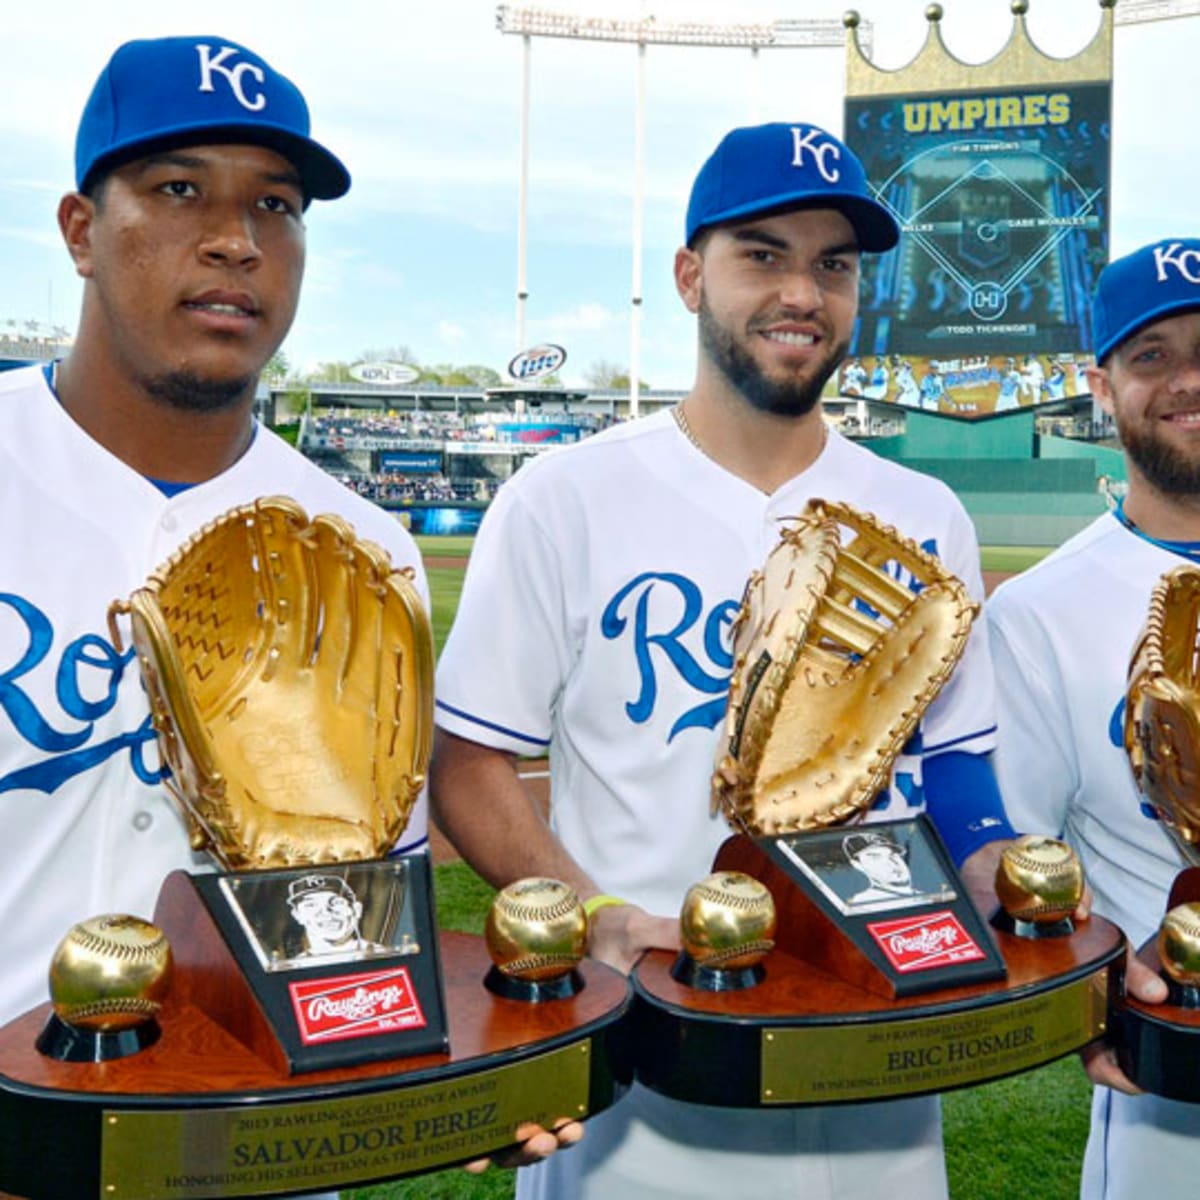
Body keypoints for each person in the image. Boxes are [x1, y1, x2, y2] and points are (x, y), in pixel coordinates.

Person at [431, 121, 1015, 1200]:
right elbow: (468, 768)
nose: (803, 291)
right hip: (645, 1042)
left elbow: (960, 758)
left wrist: (993, 869)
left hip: (875, 1038)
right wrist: (594, 913)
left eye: (833, 265)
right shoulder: (565, 498)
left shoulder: (926, 513)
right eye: (764, 255)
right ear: (691, 276)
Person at [0, 35, 436, 1030]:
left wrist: (443, 1084)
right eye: (179, 189)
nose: (237, 239)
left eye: (275, 206)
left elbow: (367, 923)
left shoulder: (365, 552)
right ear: (80, 231)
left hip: (265, 1144)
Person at [987, 237, 1200, 1200]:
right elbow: (1023, 867)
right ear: (1101, 386)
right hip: (1174, 1086)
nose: (1187, 380)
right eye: (1151, 354)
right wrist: (1093, 982)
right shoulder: (1040, 611)